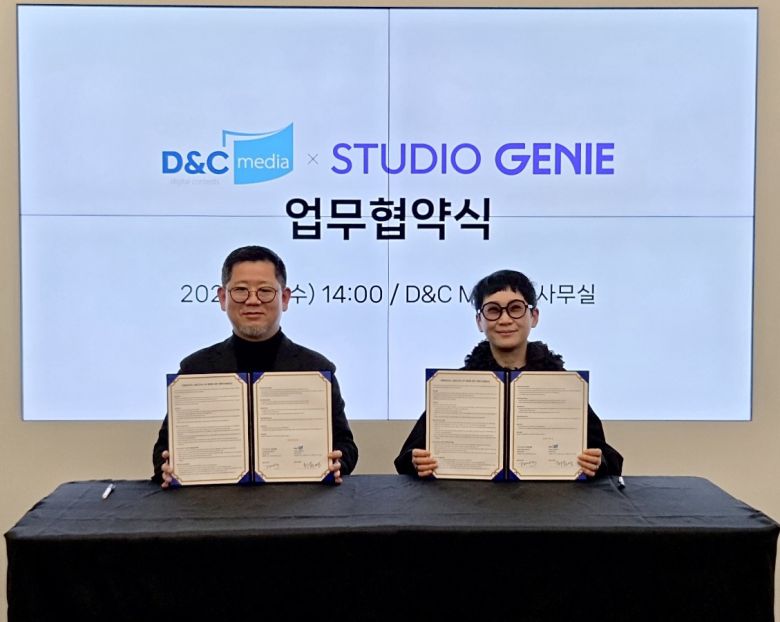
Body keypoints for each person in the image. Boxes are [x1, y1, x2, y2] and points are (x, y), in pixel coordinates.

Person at [153, 245, 358, 486]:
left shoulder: (316, 370)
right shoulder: (195, 370)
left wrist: (338, 462)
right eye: (240, 290)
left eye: (265, 291)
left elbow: (346, 446)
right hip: (212, 503)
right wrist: (167, 466)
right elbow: (163, 451)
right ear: (222, 298)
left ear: (284, 298)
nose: (252, 300)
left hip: (298, 501)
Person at [394, 269, 622, 478]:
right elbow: (408, 457)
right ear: (479, 321)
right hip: (471, 503)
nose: (505, 320)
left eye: (515, 308)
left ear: (534, 316)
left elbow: (607, 457)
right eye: (493, 310)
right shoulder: (457, 386)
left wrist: (597, 461)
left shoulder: (562, 385)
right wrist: (417, 461)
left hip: (548, 502)